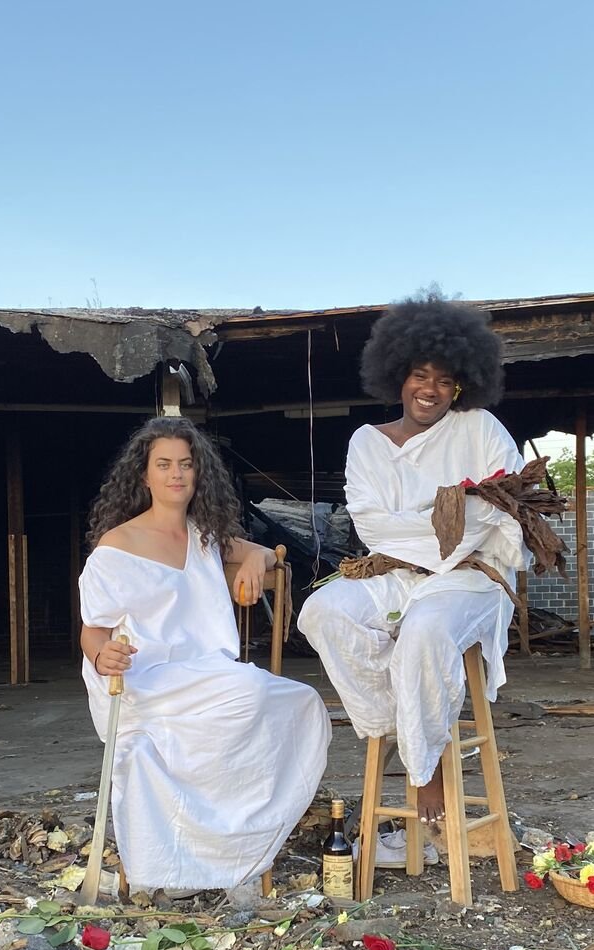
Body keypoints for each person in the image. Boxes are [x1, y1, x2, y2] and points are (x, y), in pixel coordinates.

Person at [298, 294, 525, 832]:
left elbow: (504, 510)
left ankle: (426, 768)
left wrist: (442, 526)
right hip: (395, 572)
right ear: (397, 375)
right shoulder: (367, 443)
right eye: (420, 375)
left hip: (474, 576)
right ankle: (405, 729)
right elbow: (373, 528)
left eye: (445, 380)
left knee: (424, 630)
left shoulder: (480, 428)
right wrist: (449, 516)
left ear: (461, 386)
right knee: (322, 612)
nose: (430, 389)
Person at [78, 416, 331, 895]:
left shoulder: (205, 536)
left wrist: (255, 559)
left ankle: (236, 848)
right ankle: (193, 861)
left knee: (298, 703)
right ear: (144, 475)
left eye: (186, 464)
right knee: (250, 690)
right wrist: (101, 656)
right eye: (164, 464)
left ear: (199, 474)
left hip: (205, 675)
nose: (176, 474)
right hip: (141, 680)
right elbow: (92, 631)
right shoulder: (118, 545)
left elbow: (267, 551)